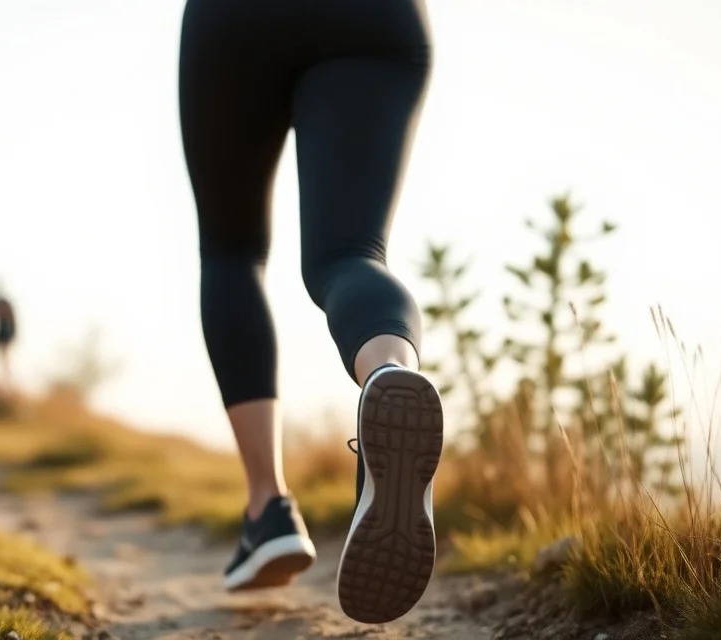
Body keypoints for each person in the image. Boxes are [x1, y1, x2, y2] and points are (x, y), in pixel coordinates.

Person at [177, 0, 444, 625]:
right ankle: (385, 373)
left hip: (235, 22)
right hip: (377, 20)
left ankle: (266, 509)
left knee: (232, 252)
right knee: (350, 254)